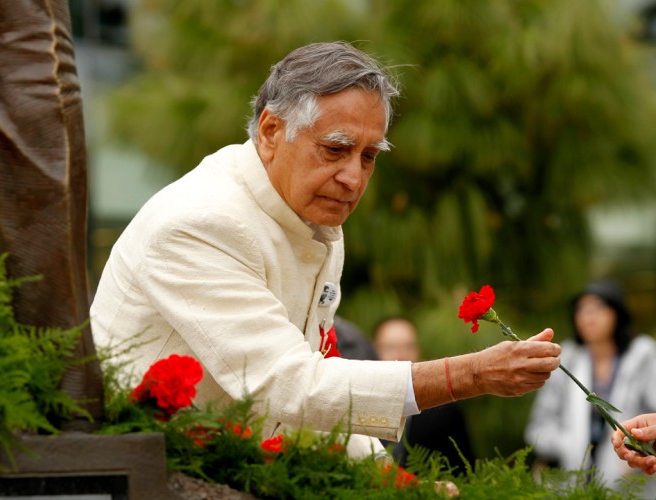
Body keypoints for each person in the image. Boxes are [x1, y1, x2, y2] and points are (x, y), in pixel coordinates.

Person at [91, 41, 562, 460]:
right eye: (335, 150)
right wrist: (470, 374)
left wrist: (390, 481)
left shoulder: (311, 218)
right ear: (271, 131)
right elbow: (290, 385)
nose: (353, 179)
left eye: (369, 156)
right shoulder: (201, 222)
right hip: (141, 473)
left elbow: (318, 394)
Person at [524, 279, 656, 492]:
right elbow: (538, 427)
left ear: (616, 312)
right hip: (573, 483)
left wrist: (638, 446)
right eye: (581, 310)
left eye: (597, 308)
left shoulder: (643, 355)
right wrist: (569, 446)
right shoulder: (564, 358)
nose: (587, 316)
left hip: (632, 481)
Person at [373, 317, 475, 473]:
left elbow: (463, 468)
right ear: (373, 352)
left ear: (419, 352)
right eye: (390, 347)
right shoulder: (358, 404)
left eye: (408, 347)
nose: (400, 355)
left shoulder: (445, 410)